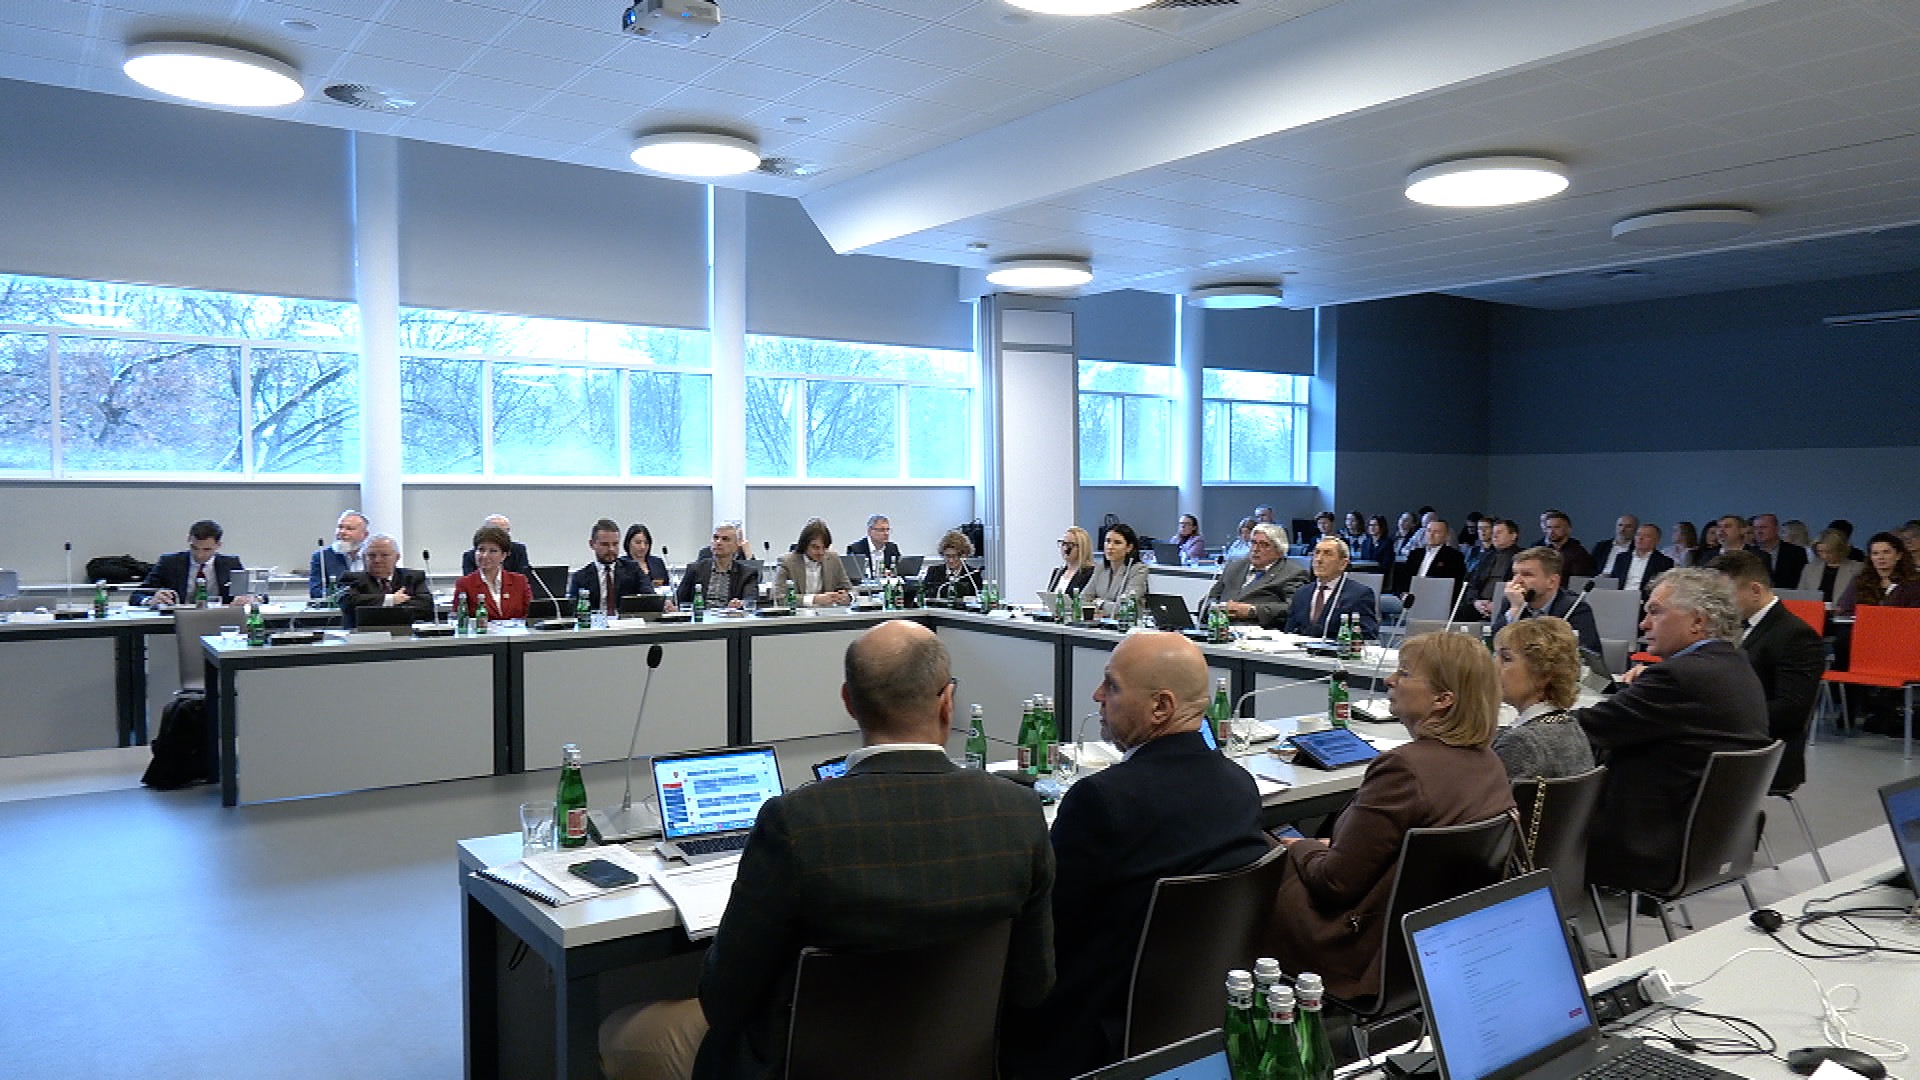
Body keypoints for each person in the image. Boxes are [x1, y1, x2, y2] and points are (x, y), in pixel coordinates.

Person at [599, 621, 1055, 1080]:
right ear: (947, 702)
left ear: (848, 702)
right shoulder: (1017, 810)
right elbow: (1032, 987)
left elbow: (725, 999)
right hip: (959, 1061)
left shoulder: (797, 822)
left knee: (619, 1034)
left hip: (800, 1064)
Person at [1006, 631, 1266, 1079]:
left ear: (1160, 707)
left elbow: (1046, 933)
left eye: (1112, 686)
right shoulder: (1240, 786)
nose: (1096, 695)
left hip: (1086, 1032)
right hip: (1190, 1018)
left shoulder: (1102, 801)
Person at [1262, 632, 1514, 1001]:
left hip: (1360, 948)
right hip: (1437, 942)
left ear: (1443, 699)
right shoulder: (1490, 763)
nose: (1389, 680)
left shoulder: (1404, 769)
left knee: (1257, 848)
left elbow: (1335, 882)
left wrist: (1300, 846)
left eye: (1405, 673)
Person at [1574, 568, 1770, 892]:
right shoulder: (1734, 664)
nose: (1643, 624)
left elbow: (1587, 728)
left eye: (1655, 612)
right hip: (1713, 843)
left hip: (1647, 846)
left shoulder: (1679, 677)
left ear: (1697, 622)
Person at [1713, 551, 1824, 791]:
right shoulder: (1732, 625)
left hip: (1763, 752)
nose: (1718, 605)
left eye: (1724, 596)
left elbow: (1791, 711)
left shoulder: (1797, 636)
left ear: (1755, 590)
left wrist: (1717, 714)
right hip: (1729, 739)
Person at [1490, 618, 1595, 780]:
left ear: (1543, 674)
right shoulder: (1571, 727)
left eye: (1506, 658)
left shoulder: (1521, 744)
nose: (1493, 666)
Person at [1487, 546, 1604, 656]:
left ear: (1552, 581)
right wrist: (1515, 610)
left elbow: (1587, 655)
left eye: (1527, 574)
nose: (1517, 581)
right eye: (1515, 574)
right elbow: (1492, 646)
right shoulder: (1512, 602)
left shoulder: (1575, 608)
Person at [1202, 523, 1306, 629]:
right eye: (1253, 543)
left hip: (1258, 632)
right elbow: (1207, 600)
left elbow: (1293, 608)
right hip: (1220, 629)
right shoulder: (1234, 567)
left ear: (1279, 551)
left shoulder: (1292, 573)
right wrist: (1215, 608)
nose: (1255, 549)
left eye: (1264, 545)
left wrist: (1252, 610)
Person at [1283, 537, 1380, 639]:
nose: (1319, 559)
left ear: (1343, 563)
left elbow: (1367, 636)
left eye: (1327, 554)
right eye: (1316, 553)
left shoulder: (1359, 595)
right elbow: (1289, 632)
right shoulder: (1302, 593)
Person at [140, 519, 246, 606]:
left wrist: (246, 599)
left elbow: (248, 595)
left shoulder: (231, 564)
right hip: (177, 618)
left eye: (207, 549)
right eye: (194, 547)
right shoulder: (169, 562)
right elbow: (138, 594)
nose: (199, 555)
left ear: (218, 545)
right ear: (188, 539)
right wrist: (150, 600)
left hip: (219, 617)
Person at [338, 534, 433, 627]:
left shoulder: (412, 577)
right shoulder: (352, 578)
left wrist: (380, 606)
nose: (377, 560)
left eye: (384, 555)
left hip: (405, 632)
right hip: (362, 634)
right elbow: (348, 603)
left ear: (397, 557)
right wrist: (391, 599)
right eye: (371, 555)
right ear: (363, 558)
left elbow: (426, 606)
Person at [568, 519, 653, 617]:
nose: (611, 549)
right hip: (595, 624)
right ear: (592, 544)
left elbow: (650, 597)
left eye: (615, 544)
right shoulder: (580, 577)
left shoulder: (633, 570)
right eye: (605, 544)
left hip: (626, 623)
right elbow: (572, 611)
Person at [453, 524, 529, 620]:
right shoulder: (465, 584)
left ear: (503, 556)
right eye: (481, 550)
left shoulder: (519, 581)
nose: (485, 555)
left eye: (493, 551)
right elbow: (459, 620)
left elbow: (530, 616)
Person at [676, 521, 760, 610]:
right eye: (715, 538)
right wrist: (672, 606)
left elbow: (750, 600)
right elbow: (679, 601)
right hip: (700, 616)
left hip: (730, 617)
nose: (718, 542)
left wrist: (740, 604)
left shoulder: (747, 573)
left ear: (736, 546)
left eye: (725, 539)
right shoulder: (695, 569)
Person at [1835, 530, 1920, 615]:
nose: (1880, 557)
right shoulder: (1859, 581)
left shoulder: (1913, 584)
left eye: (1886, 552)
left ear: (1898, 555)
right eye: (1875, 553)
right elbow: (1844, 610)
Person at [773, 519, 853, 607]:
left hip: (828, 613)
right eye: (815, 547)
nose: (821, 552)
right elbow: (780, 598)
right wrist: (814, 599)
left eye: (824, 548)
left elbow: (850, 590)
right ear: (804, 545)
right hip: (798, 614)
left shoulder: (833, 559)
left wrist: (848, 597)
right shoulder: (786, 562)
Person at [1461, 518, 1522, 620]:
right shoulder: (1486, 556)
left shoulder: (1521, 558)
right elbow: (1473, 584)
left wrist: (1497, 604)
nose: (1494, 536)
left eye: (1499, 532)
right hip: (1480, 605)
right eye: (1493, 533)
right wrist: (1476, 602)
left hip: (1506, 604)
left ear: (1513, 536)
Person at [1081, 523, 1148, 616]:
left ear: (1129, 547)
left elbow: (1125, 607)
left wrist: (1100, 603)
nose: (1110, 547)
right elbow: (1082, 600)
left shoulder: (1138, 570)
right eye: (1108, 541)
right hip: (1100, 623)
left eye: (1117, 543)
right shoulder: (1100, 568)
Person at [1395, 517, 1466, 596]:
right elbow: (1404, 580)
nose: (1431, 535)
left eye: (1436, 532)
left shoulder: (1454, 557)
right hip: (1409, 596)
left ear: (1446, 536)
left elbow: (1454, 586)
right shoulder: (1415, 554)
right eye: (1429, 531)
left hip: (1434, 596)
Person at [1602, 522, 1675, 597]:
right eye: (1638, 535)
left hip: (1644, 600)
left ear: (1657, 541)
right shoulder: (1622, 557)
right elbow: (1614, 581)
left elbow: (1663, 589)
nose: (1640, 538)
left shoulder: (1664, 562)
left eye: (1647, 536)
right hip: (1618, 596)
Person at [308, 509, 368, 598]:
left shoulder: (372, 556)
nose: (342, 532)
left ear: (365, 535)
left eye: (349, 529)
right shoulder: (321, 557)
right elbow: (316, 592)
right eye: (340, 527)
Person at [1797, 527, 1864, 604]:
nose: (1824, 556)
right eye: (1820, 551)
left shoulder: (1857, 568)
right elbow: (1800, 596)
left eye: (1829, 552)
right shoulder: (1809, 568)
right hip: (1813, 609)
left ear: (1840, 550)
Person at [1749, 513, 1808, 591]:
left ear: (1776, 529)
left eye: (1763, 527)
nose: (1759, 531)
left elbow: (1803, 582)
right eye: (1755, 528)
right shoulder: (1748, 553)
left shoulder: (1796, 552)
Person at [460, 514, 533, 576]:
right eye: (501, 531)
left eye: (507, 530)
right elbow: (469, 583)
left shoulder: (518, 550)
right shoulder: (470, 556)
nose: (506, 535)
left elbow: (524, 576)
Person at [1538, 510, 1596, 580]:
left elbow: (1580, 579)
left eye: (1557, 527)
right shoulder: (1539, 549)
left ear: (1568, 529)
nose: (1551, 531)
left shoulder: (1577, 552)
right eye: (1549, 527)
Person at [1048, 527, 1096, 595]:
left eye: (1070, 545)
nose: (1065, 548)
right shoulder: (1057, 572)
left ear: (1081, 548)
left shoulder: (1090, 573)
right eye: (1063, 543)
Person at [622, 524, 671, 590]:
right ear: (628, 543)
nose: (643, 547)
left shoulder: (657, 563)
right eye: (638, 543)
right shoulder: (622, 564)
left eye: (646, 543)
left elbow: (667, 586)